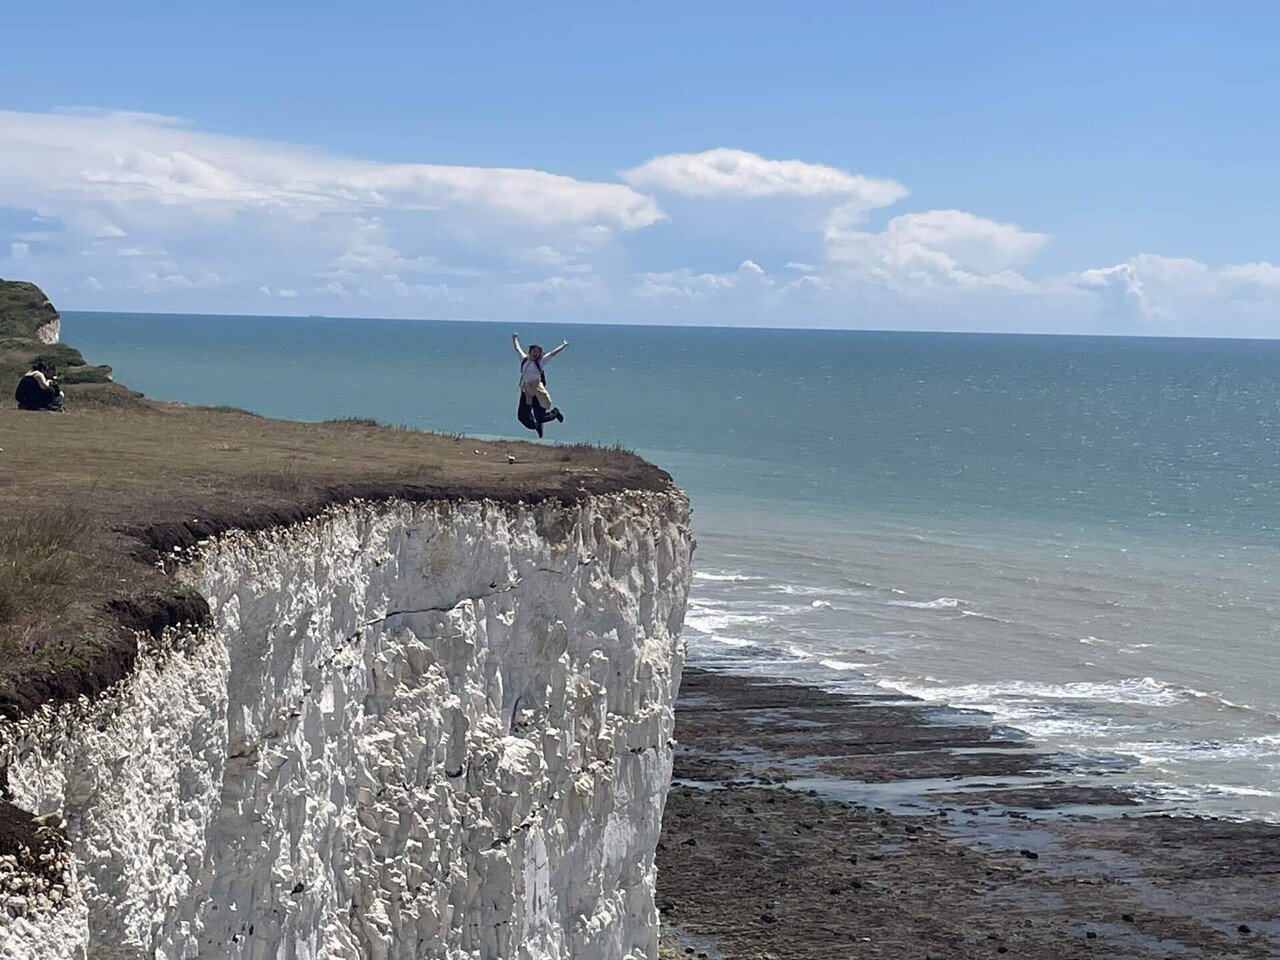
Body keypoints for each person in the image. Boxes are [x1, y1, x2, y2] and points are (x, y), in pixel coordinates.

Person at [512, 333, 568, 437]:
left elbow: (553, 353)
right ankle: (536, 426)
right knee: (521, 417)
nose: (535, 354)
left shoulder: (541, 361)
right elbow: (517, 348)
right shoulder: (524, 359)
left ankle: (555, 412)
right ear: (529, 352)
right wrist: (514, 338)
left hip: (537, 392)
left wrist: (563, 345)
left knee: (541, 417)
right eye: (533, 352)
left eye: (538, 352)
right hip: (526, 392)